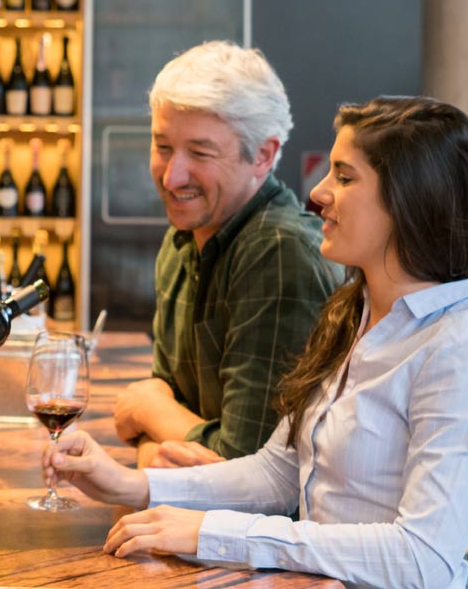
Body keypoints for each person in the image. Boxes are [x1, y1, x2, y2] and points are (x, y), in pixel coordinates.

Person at [50, 96, 468, 588]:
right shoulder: (349, 315)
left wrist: (214, 532)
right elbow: (277, 472)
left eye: (344, 176)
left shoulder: (465, 350)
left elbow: (422, 558)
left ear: (410, 199)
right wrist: (132, 485)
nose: (318, 192)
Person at [113, 41, 342, 467]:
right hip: (190, 526)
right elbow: (160, 444)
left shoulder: (277, 252)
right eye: (162, 147)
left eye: (200, 153)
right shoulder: (183, 239)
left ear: (263, 155)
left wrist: (149, 411)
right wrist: (156, 436)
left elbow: (244, 469)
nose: (171, 174)